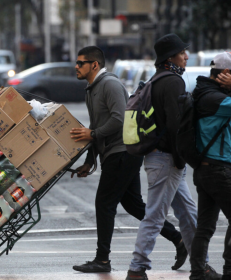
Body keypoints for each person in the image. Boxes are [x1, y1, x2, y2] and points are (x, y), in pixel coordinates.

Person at [70, 46, 186, 273]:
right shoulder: (91, 89)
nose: (76, 66)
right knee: (133, 205)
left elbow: (119, 118)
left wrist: (93, 135)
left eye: (80, 63)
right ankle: (179, 239)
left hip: (123, 152)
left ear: (94, 65)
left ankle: (102, 260)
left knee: (104, 203)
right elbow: (96, 126)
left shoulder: (109, 84)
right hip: (115, 153)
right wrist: (89, 159)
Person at [125, 33, 220, 280]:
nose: (186, 56)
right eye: (181, 53)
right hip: (167, 159)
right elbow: (177, 125)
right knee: (155, 216)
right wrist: (183, 158)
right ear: (170, 58)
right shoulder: (172, 82)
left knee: (188, 214)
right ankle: (137, 268)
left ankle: (201, 266)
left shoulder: (157, 79)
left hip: (163, 158)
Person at [189, 52, 231, 280]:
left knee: (205, 226)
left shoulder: (206, 94)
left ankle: (197, 272)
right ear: (225, 74)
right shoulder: (216, 99)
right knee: (206, 225)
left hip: (207, 169)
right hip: (218, 170)